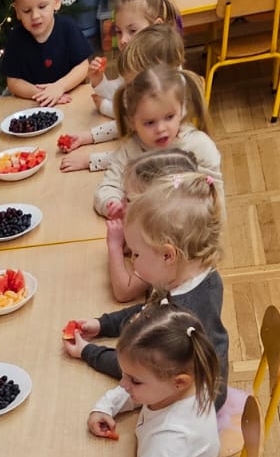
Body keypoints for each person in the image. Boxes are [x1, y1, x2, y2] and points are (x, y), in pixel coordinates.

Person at [36, 307, 226, 457]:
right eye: (125, 374)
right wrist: (105, 407)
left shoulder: (174, 433)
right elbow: (139, 393)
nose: (124, 384)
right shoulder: (183, 385)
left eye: (134, 380)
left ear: (179, 382)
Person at [66, 171, 228, 408]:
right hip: (190, 379)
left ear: (167, 255)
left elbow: (139, 368)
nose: (132, 261)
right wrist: (103, 324)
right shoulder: (196, 274)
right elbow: (150, 310)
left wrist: (87, 352)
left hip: (195, 404)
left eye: (136, 254)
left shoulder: (180, 316)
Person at [93, 65, 223, 216]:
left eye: (169, 117)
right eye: (149, 122)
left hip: (190, 227)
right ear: (132, 122)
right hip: (144, 227)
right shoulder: (130, 150)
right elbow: (108, 186)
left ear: (182, 110)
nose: (161, 129)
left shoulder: (200, 146)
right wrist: (111, 204)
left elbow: (216, 201)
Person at [59, 24, 185, 174]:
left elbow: (130, 159)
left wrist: (90, 160)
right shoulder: (156, 104)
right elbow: (129, 123)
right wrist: (87, 137)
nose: (128, 91)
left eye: (131, 84)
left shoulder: (165, 128)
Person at [103, 147, 200, 304]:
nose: (121, 202)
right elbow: (130, 250)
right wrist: (127, 225)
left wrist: (114, 246)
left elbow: (124, 291)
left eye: (129, 199)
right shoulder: (169, 225)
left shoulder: (164, 247)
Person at [1, 0, 91, 104]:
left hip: (71, 100)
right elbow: (13, 82)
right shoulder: (17, 38)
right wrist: (43, 94)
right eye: (26, 10)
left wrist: (59, 87)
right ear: (17, 11)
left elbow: (83, 66)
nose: (35, 16)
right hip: (34, 104)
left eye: (42, 7)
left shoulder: (68, 28)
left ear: (57, 1)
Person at [87, 0, 183, 122]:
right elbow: (122, 93)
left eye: (132, 31)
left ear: (156, 26)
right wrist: (99, 81)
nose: (123, 40)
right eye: (119, 32)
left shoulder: (163, 67)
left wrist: (105, 107)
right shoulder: (133, 60)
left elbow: (144, 118)